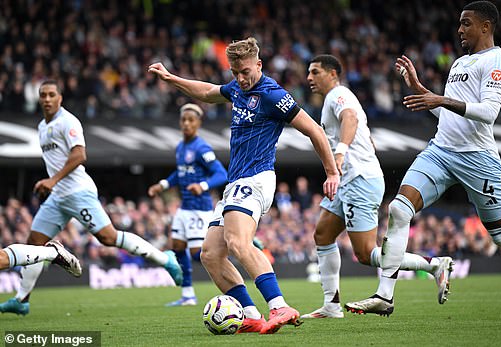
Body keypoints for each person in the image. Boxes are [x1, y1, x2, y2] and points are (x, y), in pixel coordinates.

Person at [346, 1, 501, 325]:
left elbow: (488, 113)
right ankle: (384, 296)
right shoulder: (459, 63)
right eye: (459, 24)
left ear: (485, 26)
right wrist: (423, 91)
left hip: (478, 159)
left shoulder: (497, 62)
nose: (460, 30)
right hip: (440, 151)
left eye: (466, 23)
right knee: (398, 209)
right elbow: (448, 113)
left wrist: (439, 98)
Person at [148, 37, 339, 334]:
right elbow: (209, 92)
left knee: (238, 242)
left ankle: (279, 306)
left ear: (259, 65)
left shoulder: (273, 94)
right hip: (235, 182)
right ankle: (250, 314)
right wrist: (172, 78)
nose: (241, 79)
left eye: (246, 71)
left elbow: (314, 130)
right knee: (210, 253)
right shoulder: (237, 87)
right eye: (235, 73)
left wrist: (331, 172)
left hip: (257, 177)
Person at [0, 80, 183, 316]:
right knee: (33, 242)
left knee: (108, 237)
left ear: (60, 98)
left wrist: (52, 181)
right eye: (43, 95)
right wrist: (52, 185)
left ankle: (165, 259)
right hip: (57, 196)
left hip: (78, 192)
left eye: (51, 94)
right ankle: (21, 300)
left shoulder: (68, 122)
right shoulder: (41, 127)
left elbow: (80, 155)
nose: (46, 99)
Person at [301, 55, 453, 319]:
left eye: (315, 72)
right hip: (349, 179)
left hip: (359, 180)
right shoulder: (334, 98)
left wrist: (340, 153)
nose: (309, 78)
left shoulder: (339, 95)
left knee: (365, 253)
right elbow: (362, 131)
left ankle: (434, 265)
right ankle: (331, 305)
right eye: (309, 73)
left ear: (333, 74)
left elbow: (350, 118)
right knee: (323, 235)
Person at [148, 103, 228, 306]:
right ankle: (188, 295)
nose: (186, 123)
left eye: (191, 120)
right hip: (184, 208)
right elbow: (180, 173)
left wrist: (202, 185)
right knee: (177, 247)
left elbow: (221, 174)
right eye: (183, 120)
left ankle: (233, 241)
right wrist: (163, 184)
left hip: (199, 209)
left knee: (197, 255)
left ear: (198, 123)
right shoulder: (181, 147)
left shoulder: (201, 148)